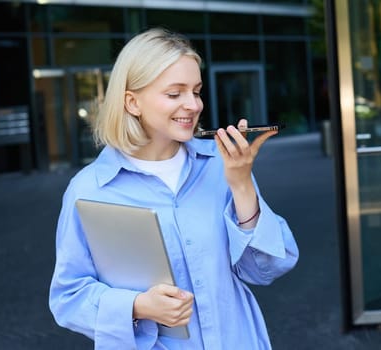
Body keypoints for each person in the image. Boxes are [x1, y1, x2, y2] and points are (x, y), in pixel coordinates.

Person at [48, 28, 299, 349]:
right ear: (132, 102)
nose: (193, 105)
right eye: (174, 93)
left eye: (196, 91)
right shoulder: (90, 188)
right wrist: (136, 306)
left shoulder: (220, 165)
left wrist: (241, 184)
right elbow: (68, 297)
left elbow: (266, 269)